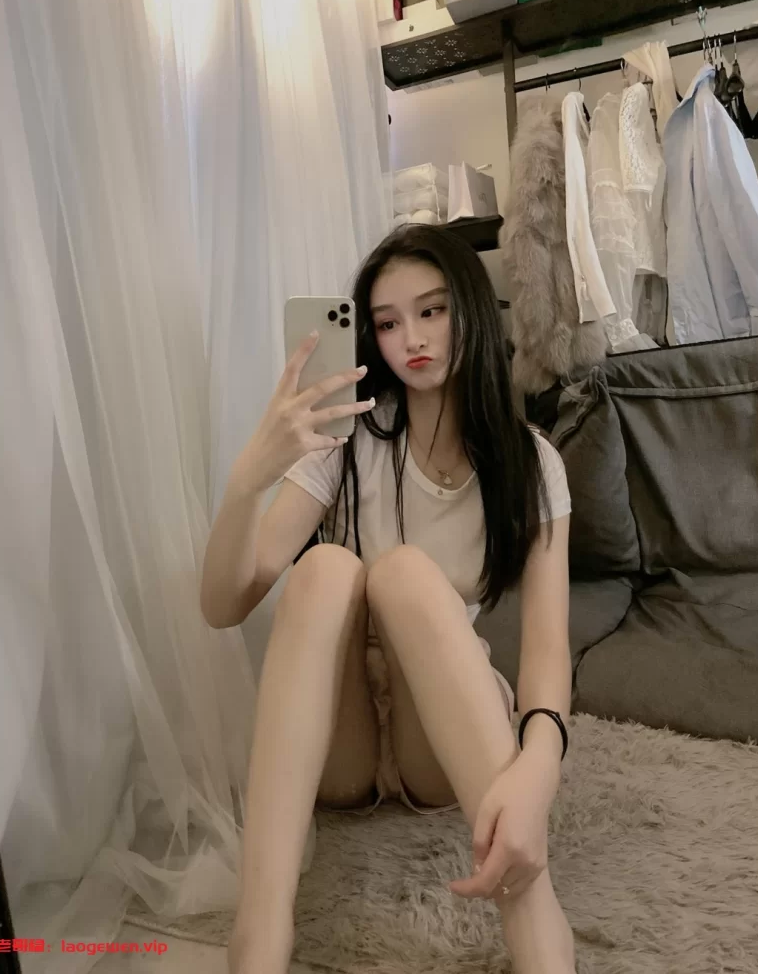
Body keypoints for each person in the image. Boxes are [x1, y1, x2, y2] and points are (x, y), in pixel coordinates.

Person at [201, 224, 576, 974]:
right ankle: (261, 930)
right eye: (387, 322)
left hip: (437, 734)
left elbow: (545, 650)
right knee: (324, 569)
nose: (413, 338)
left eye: (432, 311)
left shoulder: (531, 462)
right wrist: (248, 479)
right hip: (340, 744)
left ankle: (536, 922)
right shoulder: (347, 439)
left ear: (470, 309)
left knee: (402, 573)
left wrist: (538, 769)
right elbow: (223, 605)